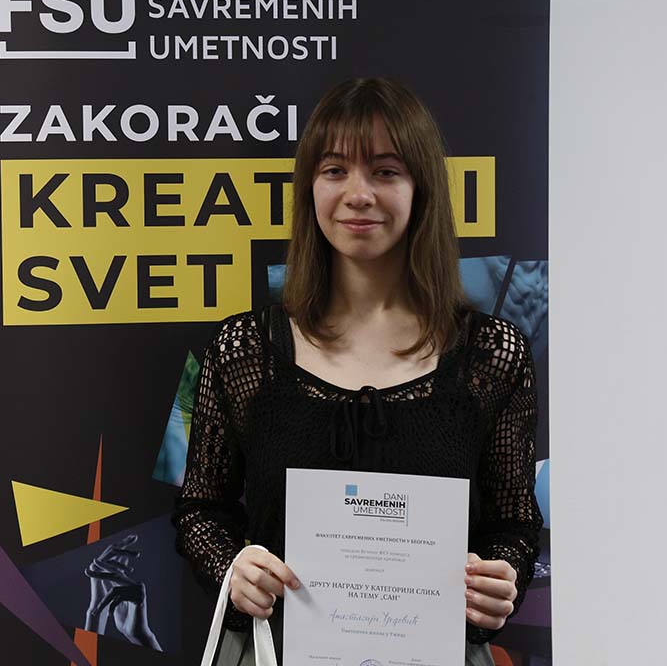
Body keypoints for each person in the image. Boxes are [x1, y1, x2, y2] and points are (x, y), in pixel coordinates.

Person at [172, 77, 542, 665]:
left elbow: (513, 524)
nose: (358, 194)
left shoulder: (491, 355)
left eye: (386, 171)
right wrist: (232, 569)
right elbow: (199, 511)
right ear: (310, 187)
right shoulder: (244, 348)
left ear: (422, 188)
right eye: (334, 170)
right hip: (272, 651)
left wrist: (502, 580)